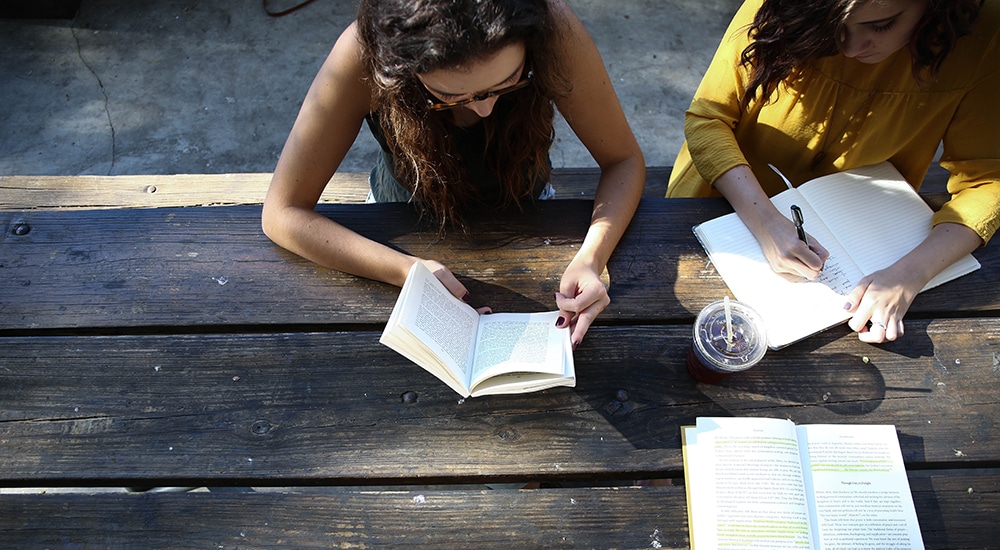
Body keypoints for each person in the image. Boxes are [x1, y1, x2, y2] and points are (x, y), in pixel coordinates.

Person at [262, 0, 645, 348]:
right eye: (450, 97)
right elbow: (283, 213)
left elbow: (623, 160)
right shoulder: (364, 54)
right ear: (400, 68)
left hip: (528, 208)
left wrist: (592, 258)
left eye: (509, 81)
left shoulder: (553, 28)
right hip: (397, 220)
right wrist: (408, 271)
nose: (485, 110)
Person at [668, 0, 999, 343]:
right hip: (720, 200)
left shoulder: (982, 33)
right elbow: (709, 119)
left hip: (871, 241)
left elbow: (989, 181)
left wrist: (909, 275)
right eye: (836, 27)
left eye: (881, 25)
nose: (853, 47)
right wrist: (765, 221)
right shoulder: (780, 6)